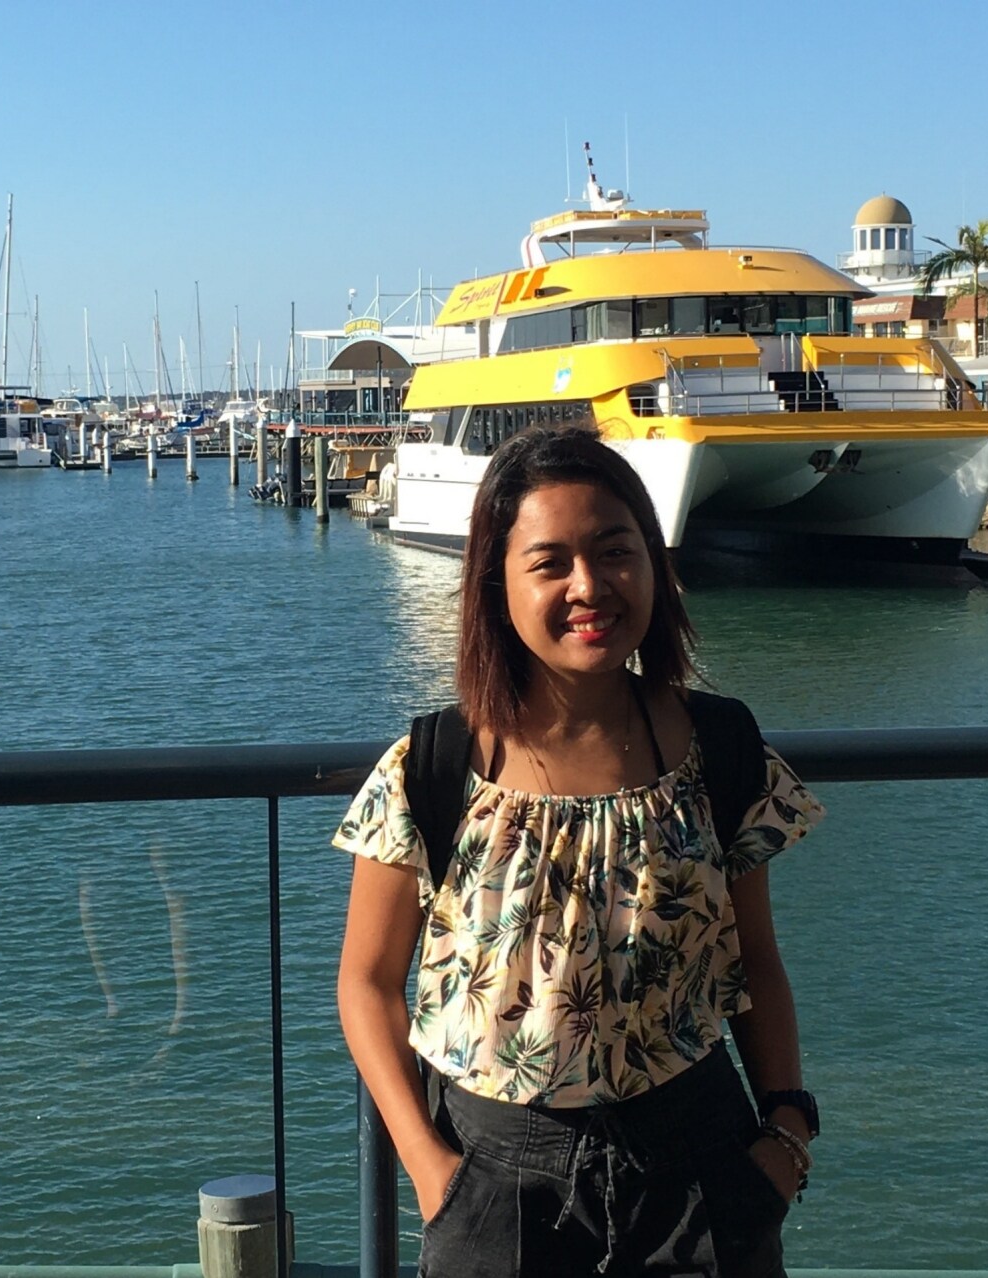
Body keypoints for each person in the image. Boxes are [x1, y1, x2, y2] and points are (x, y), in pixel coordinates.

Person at [334, 426, 823, 1277]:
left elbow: (757, 964)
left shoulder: (720, 747)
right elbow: (367, 984)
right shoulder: (435, 768)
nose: (589, 586)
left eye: (614, 550)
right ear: (497, 582)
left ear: (653, 562)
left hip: (701, 1169)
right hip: (499, 1182)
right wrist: (430, 1169)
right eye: (550, 561)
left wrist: (786, 1134)